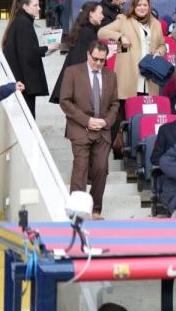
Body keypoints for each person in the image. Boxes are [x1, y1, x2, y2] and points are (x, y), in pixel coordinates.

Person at [59, 41, 117, 219]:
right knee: (81, 167)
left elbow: (115, 104)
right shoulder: (72, 72)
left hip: (102, 131)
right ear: (87, 55)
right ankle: (77, 211)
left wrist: (106, 122)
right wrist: (87, 120)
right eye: (95, 59)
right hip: (80, 128)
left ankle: (95, 210)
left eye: (102, 60)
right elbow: (65, 101)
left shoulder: (111, 75)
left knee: (101, 169)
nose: (99, 63)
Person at [96, 0, 166, 101]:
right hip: (129, 72)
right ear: (133, 6)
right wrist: (120, 36)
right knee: (128, 108)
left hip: (149, 73)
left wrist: (159, 52)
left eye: (145, 5)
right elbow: (101, 32)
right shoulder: (124, 20)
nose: (142, 8)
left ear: (149, 7)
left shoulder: (156, 23)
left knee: (146, 110)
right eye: (139, 5)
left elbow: (162, 45)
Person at [50, 2, 102, 105]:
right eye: (100, 13)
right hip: (80, 86)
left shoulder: (83, 30)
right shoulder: (87, 33)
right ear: (91, 14)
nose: (102, 16)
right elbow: (81, 60)